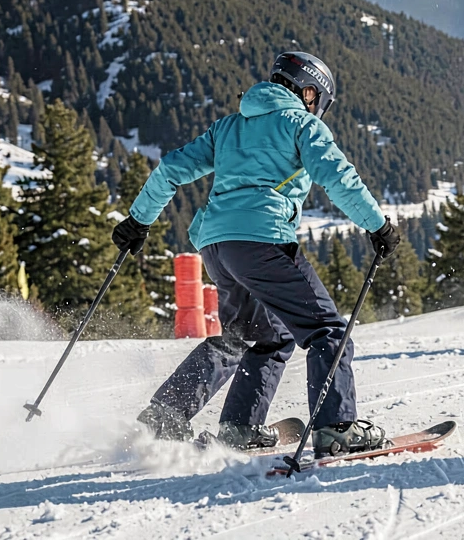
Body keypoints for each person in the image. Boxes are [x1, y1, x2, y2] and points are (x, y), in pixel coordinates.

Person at [112, 51, 401, 456]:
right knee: (327, 331)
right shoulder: (302, 124)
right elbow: (338, 177)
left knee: (259, 335)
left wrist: (138, 221)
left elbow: (171, 169)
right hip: (263, 240)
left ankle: (182, 418)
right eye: (319, 100)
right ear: (307, 91)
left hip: (217, 247)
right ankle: (336, 429)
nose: (318, 110)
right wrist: (378, 225)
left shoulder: (228, 127)